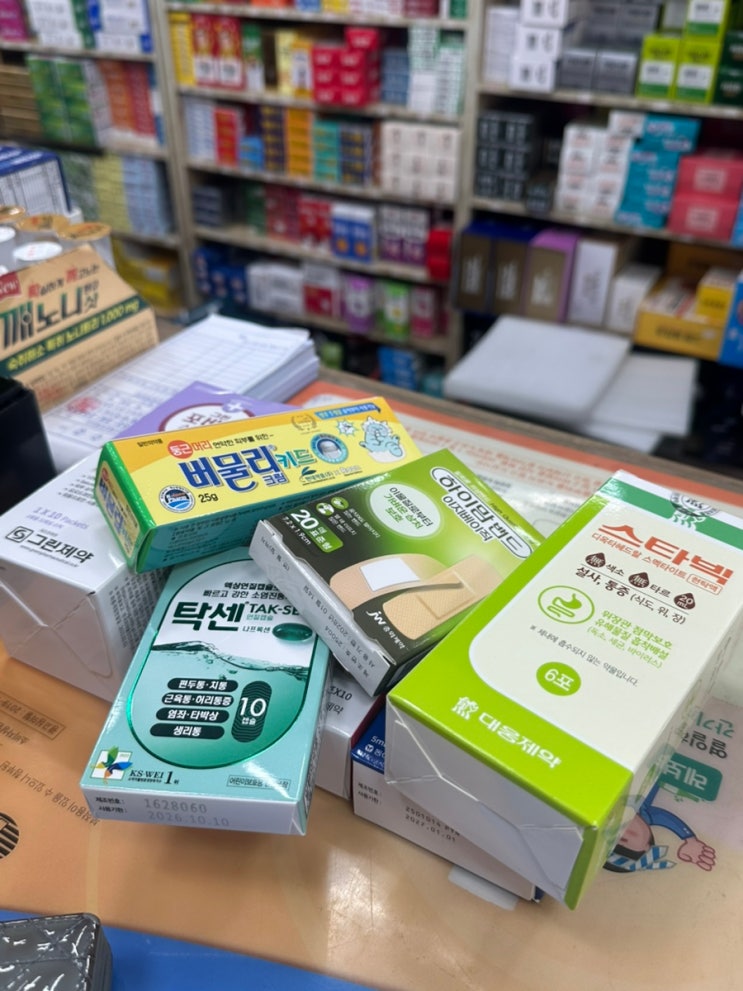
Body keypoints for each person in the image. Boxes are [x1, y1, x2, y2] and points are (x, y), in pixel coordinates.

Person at [604, 781, 716, 874]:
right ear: (646, 846)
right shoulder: (647, 815)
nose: (621, 832)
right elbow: (666, 818)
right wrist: (690, 840)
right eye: (624, 840)